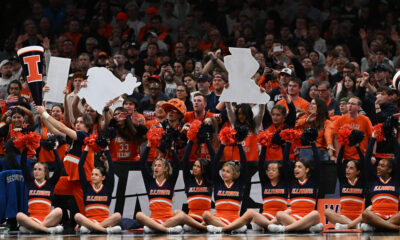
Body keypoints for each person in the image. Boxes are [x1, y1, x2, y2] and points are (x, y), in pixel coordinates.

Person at [35, 105, 94, 216]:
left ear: (88, 126)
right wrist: (42, 117)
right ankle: (60, 218)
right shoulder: (73, 139)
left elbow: (63, 128)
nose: (77, 124)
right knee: (47, 188)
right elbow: (54, 130)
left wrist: (45, 113)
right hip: (71, 179)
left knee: (86, 213)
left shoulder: (84, 136)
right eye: (77, 122)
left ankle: (87, 223)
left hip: (81, 180)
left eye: (81, 122)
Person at [268, 141, 323, 233]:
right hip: (294, 217)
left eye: (299, 167)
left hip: (309, 218)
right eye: (295, 167)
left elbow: (318, 163)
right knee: (279, 214)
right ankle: (306, 229)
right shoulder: (291, 182)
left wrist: (313, 143)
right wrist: (289, 142)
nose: (296, 169)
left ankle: (284, 229)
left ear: (307, 169)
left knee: (315, 213)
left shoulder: (313, 181)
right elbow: (285, 162)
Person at [135, 139, 185, 233]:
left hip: (169, 219)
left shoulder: (170, 182)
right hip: (154, 219)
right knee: (139, 215)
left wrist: (172, 149)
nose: (156, 168)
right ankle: (166, 230)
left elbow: (177, 166)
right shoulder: (150, 182)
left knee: (181, 215)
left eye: (159, 165)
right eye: (155, 165)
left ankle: (156, 228)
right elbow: (142, 164)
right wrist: (148, 146)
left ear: (165, 169)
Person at [74, 146, 122, 234]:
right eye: (92, 174)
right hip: (90, 221)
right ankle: (106, 231)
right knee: (77, 216)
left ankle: (93, 229)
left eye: (96, 175)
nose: (93, 176)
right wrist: (86, 148)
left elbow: (111, 168)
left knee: (118, 215)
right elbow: (80, 166)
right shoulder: (87, 187)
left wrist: (107, 148)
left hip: (105, 221)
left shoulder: (108, 188)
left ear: (103, 177)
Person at [16, 146, 63, 234]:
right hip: (32, 218)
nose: (36, 171)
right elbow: (23, 164)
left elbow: (59, 167)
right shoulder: (30, 182)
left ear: (45, 172)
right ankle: (46, 230)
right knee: (19, 215)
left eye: (39, 169)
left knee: (59, 211)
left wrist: (55, 149)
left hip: (47, 218)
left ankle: (35, 229)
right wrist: (26, 146)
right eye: (34, 169)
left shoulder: (50, 183)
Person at [360, 131, 400, 231]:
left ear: (390, 169)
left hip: (393, 217)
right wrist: (373, 139)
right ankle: (394, 228)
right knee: (365, 213)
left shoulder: (396, 180)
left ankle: (380, 226)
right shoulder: (373, 181)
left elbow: (399, 155)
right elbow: (366, 160)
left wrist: (394, 137)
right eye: (378, 165)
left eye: (382, 166)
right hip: (376, 216)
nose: (378, 167)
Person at [204, 142, 248, 233]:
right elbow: (215, 164)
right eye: (223, 170)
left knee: (251, 213)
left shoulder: (239, 183)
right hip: (219, 220)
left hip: (235, 220)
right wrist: (223, 144)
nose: (224, 173)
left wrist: (239, 145)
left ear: (234, 174)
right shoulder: (218, 182)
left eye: (228, 172)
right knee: (206, 215)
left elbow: (244, 164)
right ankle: (229, 228)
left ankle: (224, 229)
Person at [180, 134, 216, 232]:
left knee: (210, 216)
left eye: (198, 166)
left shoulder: (209, 180)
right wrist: (191, 140)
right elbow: (185, 160)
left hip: (206, 218)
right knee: (180, 215)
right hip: (192, 218)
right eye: (194, 166)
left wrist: (207, 140)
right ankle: (203, 228)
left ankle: (202, 227)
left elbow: (214, 158)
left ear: (204, 169)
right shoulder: (189, 180)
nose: (194, 168)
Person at [325, 144, 365, 229]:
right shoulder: (343, 180)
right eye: (347, 167)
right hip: (344, 218)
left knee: (368, 212)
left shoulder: (361, 181)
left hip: (358, 218)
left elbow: (364, 163)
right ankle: (353, 226)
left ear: (358, 172)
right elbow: (339, 161)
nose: (347, 170)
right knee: (327, 211)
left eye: (351, 168)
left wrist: (357, 147)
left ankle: (348, 226)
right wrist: (343, 144)